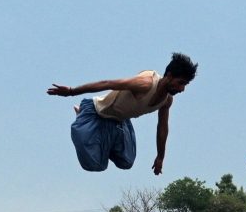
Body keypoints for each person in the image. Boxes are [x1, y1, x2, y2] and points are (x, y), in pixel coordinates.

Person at [48, 52, 198, 174]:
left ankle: (106, 142)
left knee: (126, 162)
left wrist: (160, 157)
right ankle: (81, 118)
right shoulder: (145, 84)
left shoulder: (167, 101)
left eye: (185, 85)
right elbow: (107, 83)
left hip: (120, 121)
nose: (182, 89)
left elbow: (162, 128)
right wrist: (71, 91)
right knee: (94, 165)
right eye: (181, 83)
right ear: (170, 75)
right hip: (96, 112)